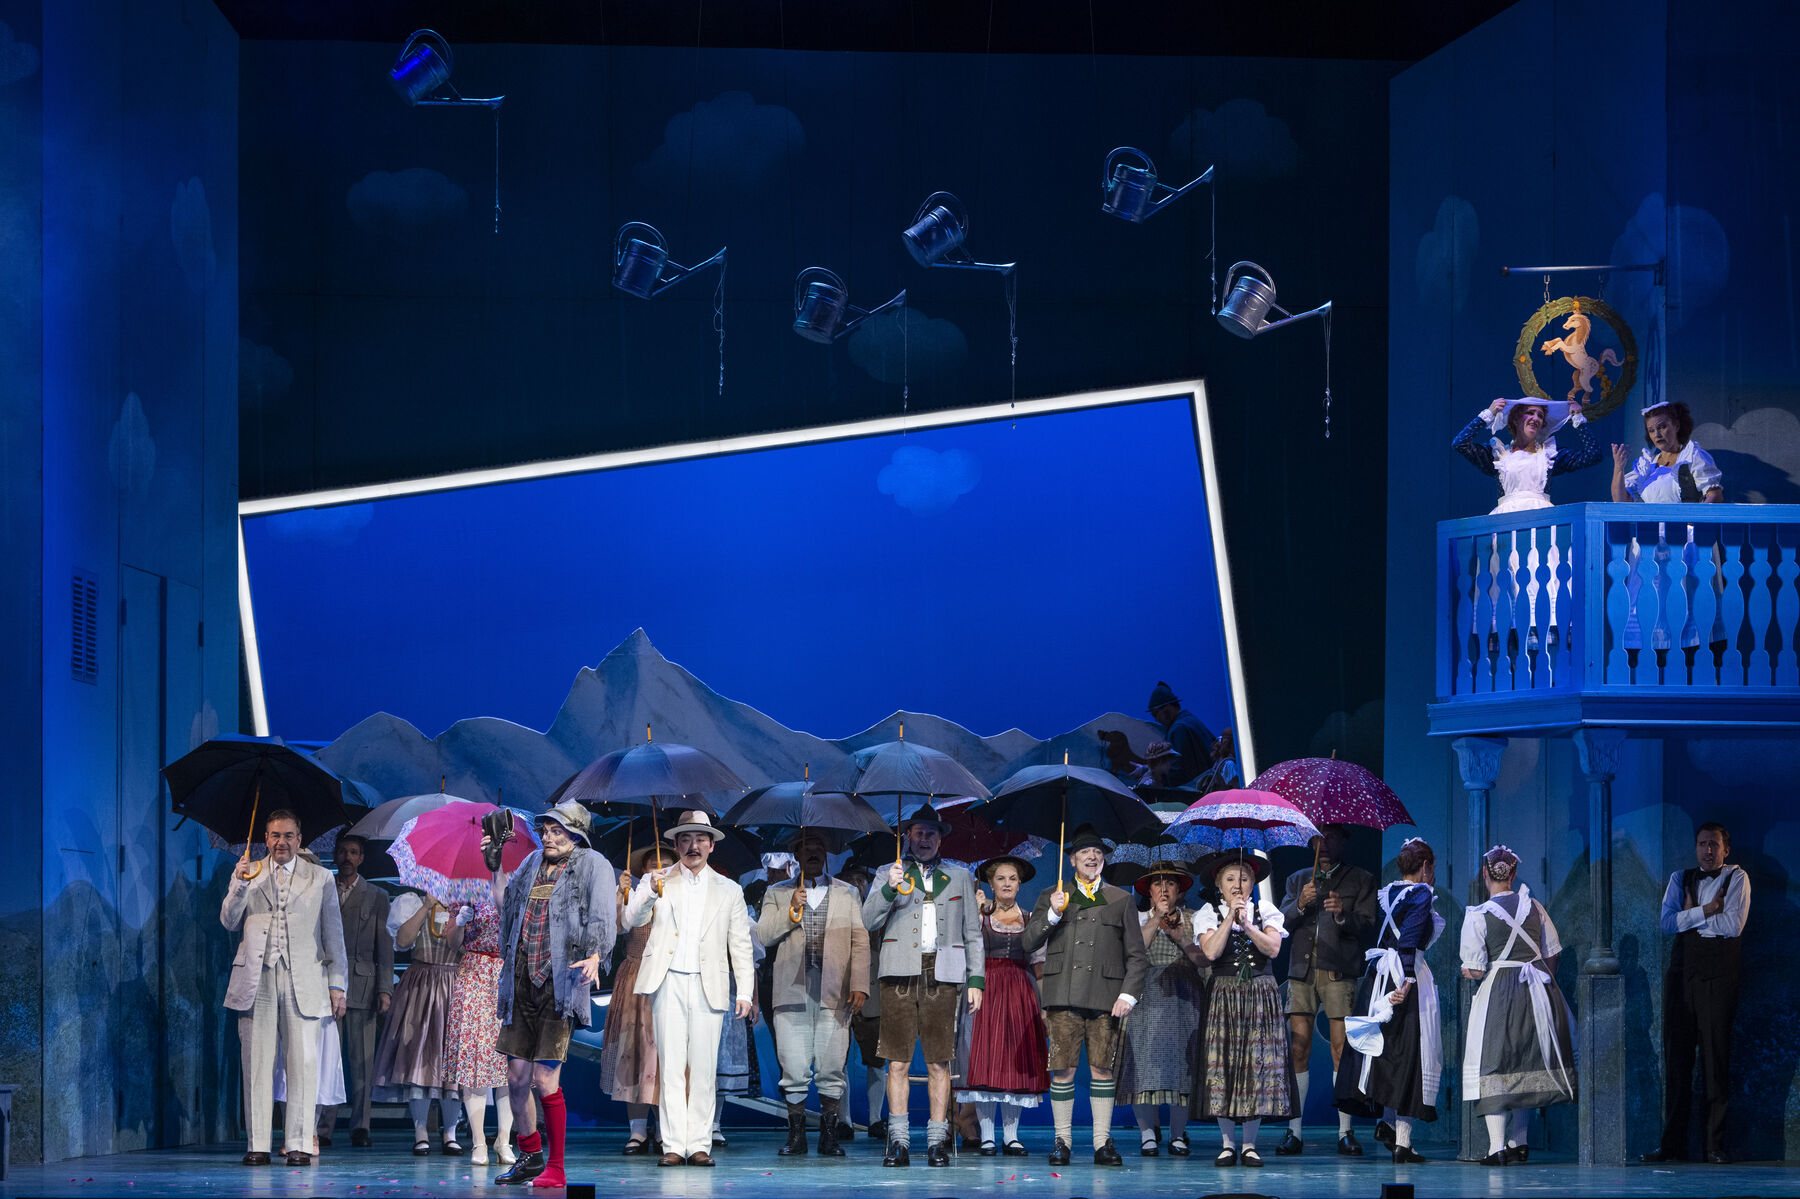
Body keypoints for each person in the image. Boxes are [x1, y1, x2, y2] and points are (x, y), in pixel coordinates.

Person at [488, 800, 618, 1187]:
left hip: (561, 984)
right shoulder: (530, 864)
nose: (548, 836)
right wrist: (494, 870)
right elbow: (505, 907)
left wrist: (595, 955)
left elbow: (602, 917)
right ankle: (530, 1155)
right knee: (514, 1077)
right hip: (521, 982)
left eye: (557, 830)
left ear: (576, 833)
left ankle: (556, 1169)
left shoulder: (592, 864)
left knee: (545, 1080)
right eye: (545, 830)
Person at [624, 811, 755, 1168]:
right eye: (685, 839)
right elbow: (630, 920)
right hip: (667, 981)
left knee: (703, 1067)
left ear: (711, 845)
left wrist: (744, 990)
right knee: (670, 1066)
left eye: (700, 839)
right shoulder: (658, 879)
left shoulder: (730, 890)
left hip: (708, 984)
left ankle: (699, 1143)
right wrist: (649, 892)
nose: (693, 846)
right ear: (676, 845)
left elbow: (740, 944)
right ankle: (672, 1144)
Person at [220, 809, 348, 1167]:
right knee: (256, 1062)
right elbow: (229, 921)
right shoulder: (250, 871)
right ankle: (257, 1143)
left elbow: (333, 936)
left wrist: (338, 986)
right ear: (266, 837)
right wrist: (239, 883)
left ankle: (298, 1144)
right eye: (275, 835)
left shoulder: (321, 877)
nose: (281, 842)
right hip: (257, 977)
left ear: (299, 838)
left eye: (288, 835)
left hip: (303, 977)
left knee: (303, 1063)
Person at [862, 804, 986, 1168]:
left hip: (944, 973)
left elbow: (973, 934)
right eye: (919, 832)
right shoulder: (890, 872)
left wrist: (975, 980)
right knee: (897, 1061)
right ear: (908, 836)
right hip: (899, 972)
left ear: (940, 837)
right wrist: (889, 887)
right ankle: (898, 1141)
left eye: (932, 832)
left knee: (938, 1062)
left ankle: (936, 1141)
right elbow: (868, 920)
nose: (925, 838)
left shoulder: (960, 876)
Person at [1023, 825, 1149, 1167]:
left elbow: (1137, 956)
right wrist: (1052, 913)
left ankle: (1101, 1143)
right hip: (1063, 995)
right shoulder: (1053, 895)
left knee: (1102, 1069)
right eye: (1084, 852)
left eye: (1098, 852)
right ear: (1072, 860)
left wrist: (1128, 994)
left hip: (1106, 998)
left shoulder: (1121, 899)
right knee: (1062, 1070)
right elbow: (1028, 942)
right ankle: (1061, 1142)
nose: (1092, 857)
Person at [1460, 845, 1577, 1166]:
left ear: (1485, 874)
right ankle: (1520, 1141)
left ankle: (1497, 1146)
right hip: (1539, 988)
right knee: (1527, 1059)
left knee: (1496, 1061)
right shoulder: (1534, 906)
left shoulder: (1479, 914)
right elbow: (1552, 950)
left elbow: (1477, 968)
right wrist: (1542, 979)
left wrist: (1466, 970)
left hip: (1500, 991)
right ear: (1513, 874)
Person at [755, 830, 871, 1157]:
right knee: (793, 1066)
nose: (814, 853)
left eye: (819, 847)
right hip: (791, 990)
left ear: (826, 854)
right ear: (796, 855)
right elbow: (764, 935)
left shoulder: (847, 893)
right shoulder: (777, 892)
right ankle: (796, 1136)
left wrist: (860, 983)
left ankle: (830, 1136)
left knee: (832, 1065)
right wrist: (791, 909)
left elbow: (860, 942)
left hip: (835, 992)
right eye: (807, 848)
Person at [1645, 822, 1750, 1164]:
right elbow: (1665, 923)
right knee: (1677, 1063)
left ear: (1725, 849)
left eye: (1714, 845)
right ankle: (1672, 1145)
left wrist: (1687, 917)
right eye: (1702, 844)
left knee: (1715, 1061)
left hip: (1718, 979)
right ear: (1695, 847)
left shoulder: (1737, 878)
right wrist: (1705, 911)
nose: (1707, 850)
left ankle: (1714, 1146)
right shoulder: (1680, 878)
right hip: (1681, 977)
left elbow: (1732, 926)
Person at [1334, 837, 1444, 1164]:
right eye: (1432, 866)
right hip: (1403, 977)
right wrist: (1408, 981)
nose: (1433, 873)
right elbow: (1408, 941)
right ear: (1425, 866)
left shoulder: (1391, 893)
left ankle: (1387, 1125)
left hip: (1379, 976)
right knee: (1412, 1053)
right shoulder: (1421, 893)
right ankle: (1403, 1141)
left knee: (1387, 1052)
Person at [1276, 825, 1378, 1157]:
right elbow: (1282, 924)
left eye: (1333, 836)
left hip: (1338, 973)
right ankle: (1294, 1131)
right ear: (1311, 841)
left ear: (1343, 840)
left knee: (1340, 1050)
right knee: (1299, 1048)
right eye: (1321, 837)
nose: (1327, 843)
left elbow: (1367, 926)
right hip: (1302, 973)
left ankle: (1345, 1132)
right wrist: (1301, 905)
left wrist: (1342, 915)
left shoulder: (1359, 879)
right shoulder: (1297, 879)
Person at [1193, 852, 1292, 1169]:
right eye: (1231, 879)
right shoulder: (1207, 913)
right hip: (1223, 995)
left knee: (1258, 1066)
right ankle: (1227, 1144)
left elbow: (1273, 949)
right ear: (1219, 885)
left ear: (1253, 883)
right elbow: (1210, 952)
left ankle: (1250, 1144)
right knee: (1222, 1064)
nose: (1238, 885)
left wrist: (1247, 924)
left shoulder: (1266, 910)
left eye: (1244, 878)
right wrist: (1228, 920)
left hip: (1260, 995)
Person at [956, 854, 1049, 1156]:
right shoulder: (981, 914)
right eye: (1001, 878)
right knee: (985, 1061)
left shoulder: (1030, 917)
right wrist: (974, 910)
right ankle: (986, 1135)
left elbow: (1038, 964)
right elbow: (967, 950)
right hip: (985, 989)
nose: (1007, 883)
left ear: (1020, 884)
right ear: (992, 884)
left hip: (1020, 992)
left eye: (1012, 878)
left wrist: (1044, 1004)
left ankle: (1011, 1135)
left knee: (1014, 1064)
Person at [1118, 861, 1207, 1158]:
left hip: (1184, 996)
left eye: (1170, 883)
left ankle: (1178, 1134)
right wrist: (1156, 920)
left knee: (1183, 1068)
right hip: (1145, 995)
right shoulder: (1139, 917)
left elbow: (1202, 958)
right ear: (1149, 891)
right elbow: (1135, 952)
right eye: (1158, 884)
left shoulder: (1195, 918)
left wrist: (1179, 934)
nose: (1164, 888)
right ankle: (1147, 1133)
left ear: (1180, 889)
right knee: (1142, 1067)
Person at [371, 886, 465, 1157]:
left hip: (454, 984)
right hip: (421, 983)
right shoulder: (412, 901)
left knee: (452, 1061)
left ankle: (450, 1132)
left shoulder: (467, 905)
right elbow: (402, 940)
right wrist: (426, 906)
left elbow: (461, 946)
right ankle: (420, 1130)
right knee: (417, 1056)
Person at [318, 832, 392, 1149]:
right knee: (329, 1061)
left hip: (362, 984)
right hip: (326, 985)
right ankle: (323, 1127)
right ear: (335, 856)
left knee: (362, 1063)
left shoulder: (376, 895)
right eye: (342, 851)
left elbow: (385, 949)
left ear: (361, 858)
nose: (347, 857)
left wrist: (385, 989)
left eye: (353, 852)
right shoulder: (321, 890)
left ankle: (361, 1126)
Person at [442, 886, 515, 1166]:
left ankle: (504, 1140)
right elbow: (452, 942)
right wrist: (460, 922)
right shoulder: (465, 890)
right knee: (475, 1060)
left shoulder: (516, 886)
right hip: (474, 973)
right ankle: (478, 1142)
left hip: (507, 974)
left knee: (509, 1062)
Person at [597, 845, 661, 1154]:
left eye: (664, 863)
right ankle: (638, 1132)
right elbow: (617, 928)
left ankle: (664, 1130)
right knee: (633, 1056)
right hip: (635, 980)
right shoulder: (634, 894)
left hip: (666, 982)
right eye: (651, 864)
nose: (658, 867)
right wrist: (620, 894)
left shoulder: (679, 898)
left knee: (663, 1060)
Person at [1452, 397, 1599, 513]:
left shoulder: (1549, 456)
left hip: (1542, 521)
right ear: (1515, 419)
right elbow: (1460, 443)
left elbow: (1593, 455)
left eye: (1540, 416)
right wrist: (1488, 414)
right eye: (1530, 412)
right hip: (1506, 521)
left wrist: (1579, 419)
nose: (1535, 418)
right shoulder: (1498, 456)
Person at [838, 862, 888, 1140]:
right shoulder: (837, 910)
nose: (857, 885)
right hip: (841, 995)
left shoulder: (877, 913)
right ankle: (842, 1120)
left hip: (873, 995)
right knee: (838, 1062)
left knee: (877, 1061)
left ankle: (875, 1119)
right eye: (850, 880)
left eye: (861, 880)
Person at [1612, 401, 1724, 504]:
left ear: (1676, 426)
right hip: (1652, 525)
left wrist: (1694, 520)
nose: (1657, 435)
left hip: (1684, 524)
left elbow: (1715, 496)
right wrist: (1619, 467)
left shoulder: (1691, 457)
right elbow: (1621, 500)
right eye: (1651, 430)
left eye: (1662, 427)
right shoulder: (1647, 466)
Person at [1147, 682, 1216, 787]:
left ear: (1166, 708)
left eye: (1156, 714)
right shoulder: (1191, 720)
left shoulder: (1178, 729)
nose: (1156, 719)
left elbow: (1178, 771)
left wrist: (1158, 775)